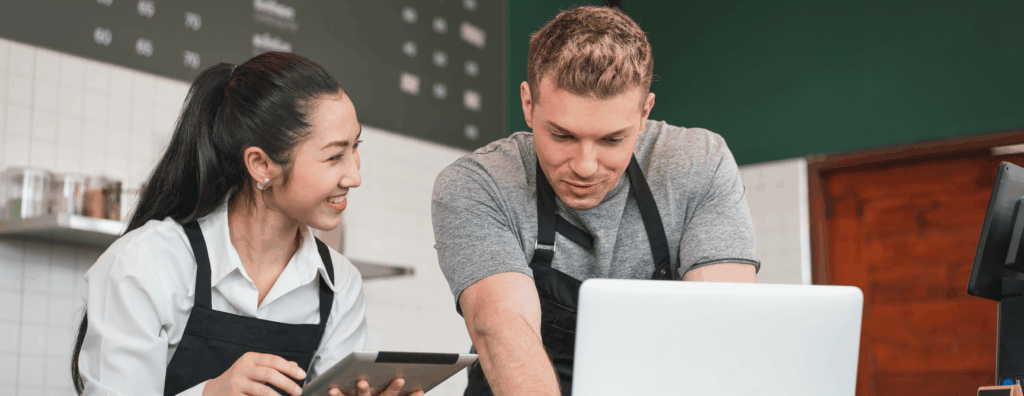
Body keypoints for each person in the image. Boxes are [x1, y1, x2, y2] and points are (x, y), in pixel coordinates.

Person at [431, 6, 761, 396]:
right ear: (528, 104)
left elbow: (722, 327)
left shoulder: (698, 164)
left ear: (644, 114)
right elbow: (501, 327)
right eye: (562, 136)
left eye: (611, 140)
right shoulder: (477, 184)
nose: (585, 167)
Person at [70, 52, 421, 396]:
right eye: (334, 156)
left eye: (355, 147)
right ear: (261, 165)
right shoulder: (145, 265)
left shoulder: (340, 285)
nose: (355, 176)